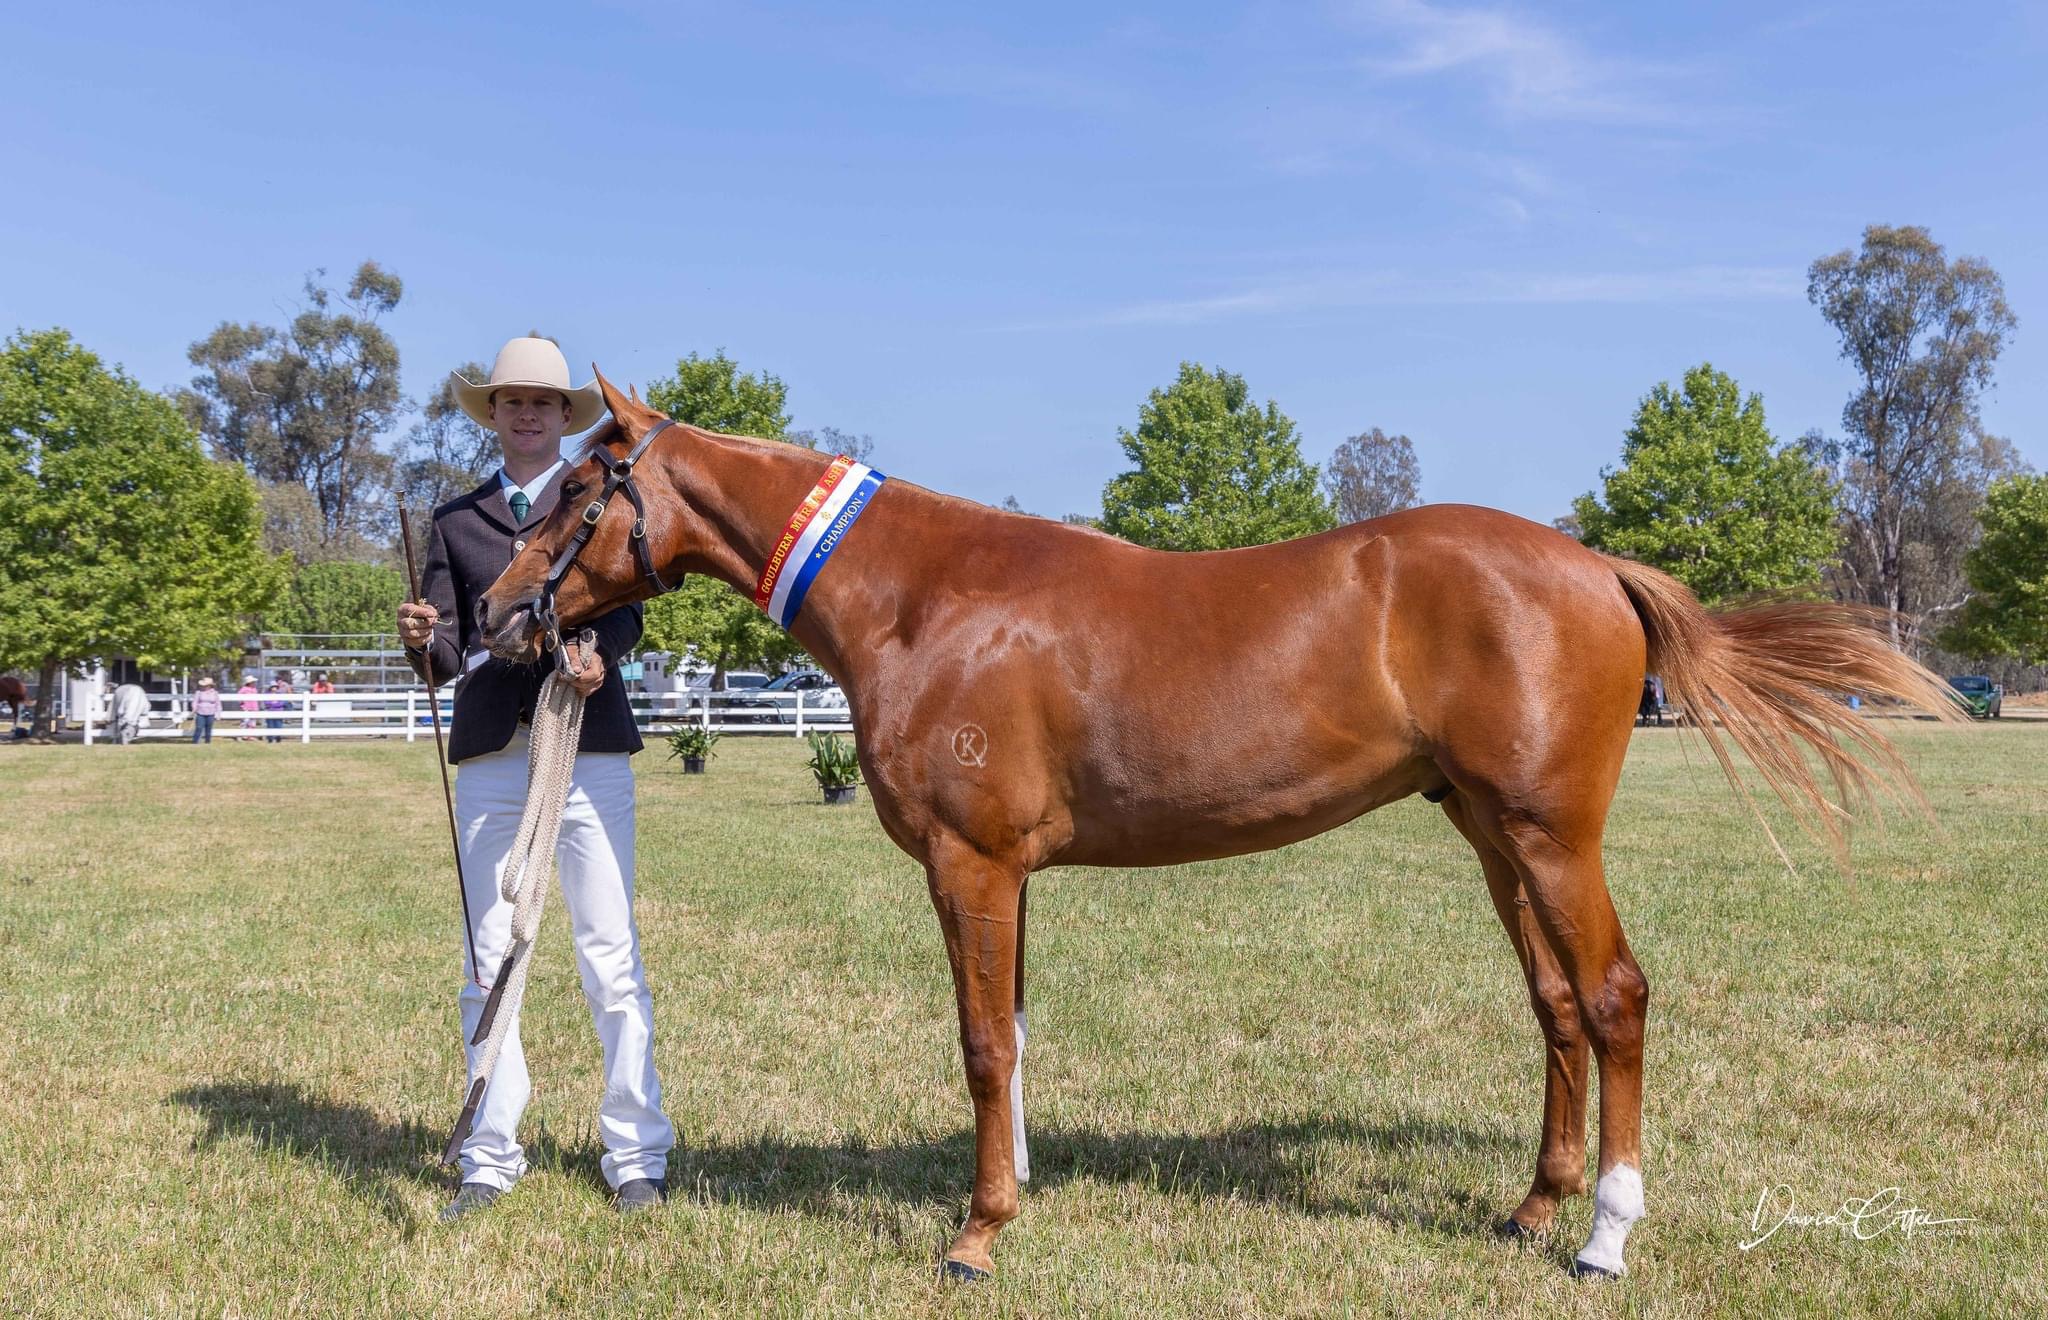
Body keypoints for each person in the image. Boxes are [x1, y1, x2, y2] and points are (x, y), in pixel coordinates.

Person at [395, 336, 673, 1224]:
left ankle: (636, 1154)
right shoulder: (455, 521)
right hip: (491, 755)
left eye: (542, 402)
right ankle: (489, 1154)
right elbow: (446, 656)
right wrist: (420, 639)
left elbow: (627, 612)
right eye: (512, 401)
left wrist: (598, 655)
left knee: (610, 954)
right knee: (488, 959)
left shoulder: (603, 497)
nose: (526, 414)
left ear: (563, 416)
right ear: (494, 413)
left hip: (587, 748)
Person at [191, 677, 220, 744]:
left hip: (211, 713)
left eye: (205, 685)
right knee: (199, 727)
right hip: (200, 712)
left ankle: (207, 741)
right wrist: (194, 708)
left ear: (209, 686)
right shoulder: (199, 692)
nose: (203, 686)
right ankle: (195, 741)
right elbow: (195, 701)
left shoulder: (215, 693)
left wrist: (218, 714)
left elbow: (218, 704)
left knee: (209, 728)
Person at [264, 675, 292, 743]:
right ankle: (270, 738)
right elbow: (266, 703)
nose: (274, 688)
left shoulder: (280, 694)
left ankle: (278, 737)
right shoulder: (267, 694)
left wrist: (276, 704)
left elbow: (283, 702)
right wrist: (274, 704)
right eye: (273, 687)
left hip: (279, 712)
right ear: (270, 688)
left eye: (276, 687)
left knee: (278, 724)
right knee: (270, 725)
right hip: (270, 712)